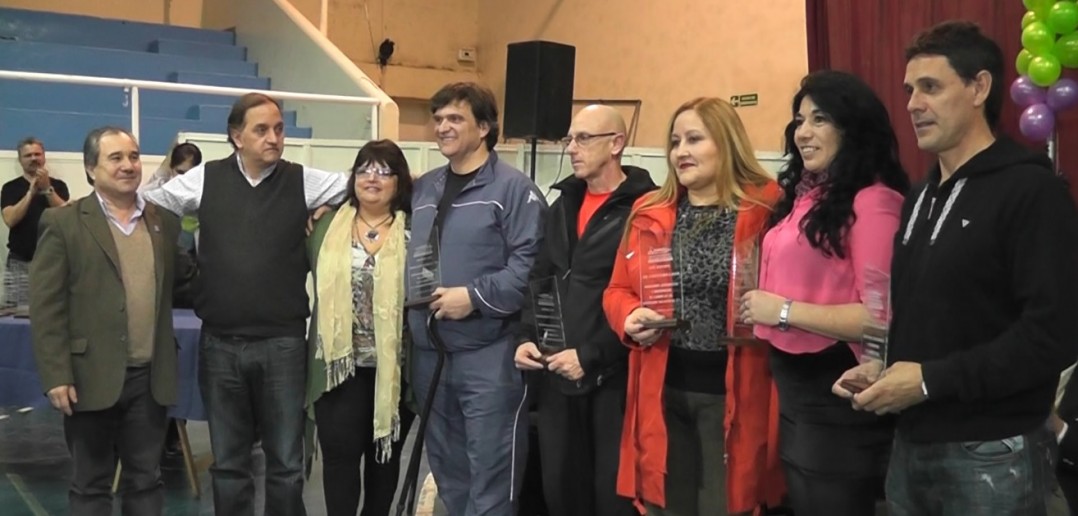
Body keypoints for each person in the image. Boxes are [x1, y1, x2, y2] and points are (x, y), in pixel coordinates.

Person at [834, 21, 1078, 515]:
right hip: (910, 447)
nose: (912, 104)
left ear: (979, 87)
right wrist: (885, 370)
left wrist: (929, 380)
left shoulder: (1032, 192)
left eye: (931, 87)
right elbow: (936, 318)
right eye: (909, 90)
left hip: (993, 455)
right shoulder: (920, 196)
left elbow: (1053, 334)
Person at [143, 92, 349, 516]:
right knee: (229, 464)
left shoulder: (303, 181)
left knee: (286, 464)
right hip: (220, 345)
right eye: (262, 130)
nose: (274, 138)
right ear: (237, 137)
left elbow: (363, 185)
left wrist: (329, 206)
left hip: (283, 345)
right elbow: (149, 201)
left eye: (279, 129)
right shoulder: (204, 179)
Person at [603, 97, 785, 515]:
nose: (680, 151)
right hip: (662, 390)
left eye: (694, 139)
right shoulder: (648, 210)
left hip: (736, 394)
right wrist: (629, 316)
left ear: (726, 142)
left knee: (727, 504)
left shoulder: (767, 209)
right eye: (674, 142)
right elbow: (616, 289)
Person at [739, 70, 908, 516]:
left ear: (851, 128)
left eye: (820, 119)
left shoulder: (872, 201)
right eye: (799, 120)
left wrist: (783, 311)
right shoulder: (805, 197)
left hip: (836, 396)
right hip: (794, 393)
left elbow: (880, 318)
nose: (803, 133)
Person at [30, 126, 187, 515]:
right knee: (90, 486)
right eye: (115, 158)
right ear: (90, 168)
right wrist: (56, 374)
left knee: (146, 481)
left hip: (150, 380)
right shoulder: (63, 223)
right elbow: (46, 305)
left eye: (133, 156)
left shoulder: (164, 223)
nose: (128, 165)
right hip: (89, 378)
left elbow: (186, 282)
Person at [407, 82, 546, 515]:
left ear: (484, 127)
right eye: (438, 119)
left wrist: (475, 297)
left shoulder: (514, 190)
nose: (442, 127)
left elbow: (531, 268)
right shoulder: (424, 189)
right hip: (430, 355)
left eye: (455, 118)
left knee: (492, 479)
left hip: (489, 356)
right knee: (449, 475)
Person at [514, 105, 656, 516]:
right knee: (561, 495)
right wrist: (526, 336)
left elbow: (649, 303)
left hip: (614, 379)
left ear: (616, 144)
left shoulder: (645, 209)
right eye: (569, 139)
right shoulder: (563, 205)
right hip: (557, 375)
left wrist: (591, 356)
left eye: (583, 138)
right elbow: (542, 277)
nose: (571, 148)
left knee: (612, 500)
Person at [305, 139, 418, 516]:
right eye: (364, 169)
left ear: (400, 181)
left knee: (384, 461)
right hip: (339, 370)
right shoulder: (325, 227)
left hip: (395, 370)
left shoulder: (417, 230)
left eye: (384, 171)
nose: (373, 178)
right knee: (339, 462)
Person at [1, 137, 70, 307]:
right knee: (17, 313)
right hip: (20, 262)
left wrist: (47, 189)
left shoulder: (59, 186)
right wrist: (30, 193)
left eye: (37, 154)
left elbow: (66, 216)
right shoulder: (10, 188)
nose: (33, 158)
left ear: (43, 156)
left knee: (53, 310)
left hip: (54, 262)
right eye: (28, 155)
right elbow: (10, 219)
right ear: (20, 160)